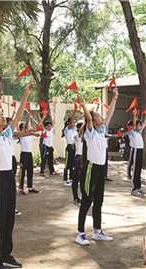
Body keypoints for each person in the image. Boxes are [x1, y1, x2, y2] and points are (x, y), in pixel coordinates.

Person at [0, 75, 32, 269]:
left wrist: (26, 95)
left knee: (9, 218)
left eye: (2, 114)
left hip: (9, 178)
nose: (2, 116)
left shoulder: (7, 134)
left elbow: (19, 116)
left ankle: (6, 254)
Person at [75, 89, 118, 246]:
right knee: (87, 201)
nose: (101, 116)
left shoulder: (102, 129)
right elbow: (88, 117)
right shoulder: (90, 131)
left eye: (100, 116)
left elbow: (110, 114)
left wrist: (115, 97)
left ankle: (97, 231)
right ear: (92, 121)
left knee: (98, 201)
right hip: (91, 169)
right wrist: (83, 105)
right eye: (97, 116)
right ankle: (80, 234)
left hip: (100, 169)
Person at [18, 112, 40, 195]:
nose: (26, 128)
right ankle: (21, 188)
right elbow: (28, 128)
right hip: (24, 154)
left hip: (29, 154)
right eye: (23, 127)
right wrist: (29, 117)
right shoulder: (22, 135)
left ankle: (30, 187)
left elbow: (36, 127)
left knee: (30, 171)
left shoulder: (29, 134)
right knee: (22, 172)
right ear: (21, 129)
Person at [129, 108, 145, 197]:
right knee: (135, 170)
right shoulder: (133, 132)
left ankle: (138, 187)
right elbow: (135, 124)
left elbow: (144, 123)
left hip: (140, 151)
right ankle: (134, 189)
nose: (140, 126)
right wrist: (134, 115)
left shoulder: (139, 132)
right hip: (136, 151)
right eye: (139, 125)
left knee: (139, 169)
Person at [62, 110, 77, 187]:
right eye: (71, 123)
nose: (73, 124)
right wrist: (74, 113)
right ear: (68, 123)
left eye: (74, 123)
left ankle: (71, 178)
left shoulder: (75, 130)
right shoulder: (66, 130)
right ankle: (65, 179)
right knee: (67, 164)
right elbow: (70, 120)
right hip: (69, 147)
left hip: (74, 148)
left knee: (72, 164)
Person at [39, 111, 57, 176]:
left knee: (50, 160)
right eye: (48, 126)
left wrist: (50, 116)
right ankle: (42, 171)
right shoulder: (44, 131)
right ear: (45, 127)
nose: (49, 127)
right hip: (45, 147)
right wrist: (43, 117)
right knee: (43, 159)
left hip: (50, 147)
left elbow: (53, 123)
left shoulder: (51, 130)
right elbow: (40, 124)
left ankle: (52, 171)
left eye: (50, 126)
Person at [72, 121, 85, 204]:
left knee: (84, 179)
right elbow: (80, 132)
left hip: (84, 158)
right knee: (76, 178)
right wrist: (86, 120)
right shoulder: (76, 137)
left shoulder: (86, 137)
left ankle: (84, 196)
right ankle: (75, 196)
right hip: (78, 158)